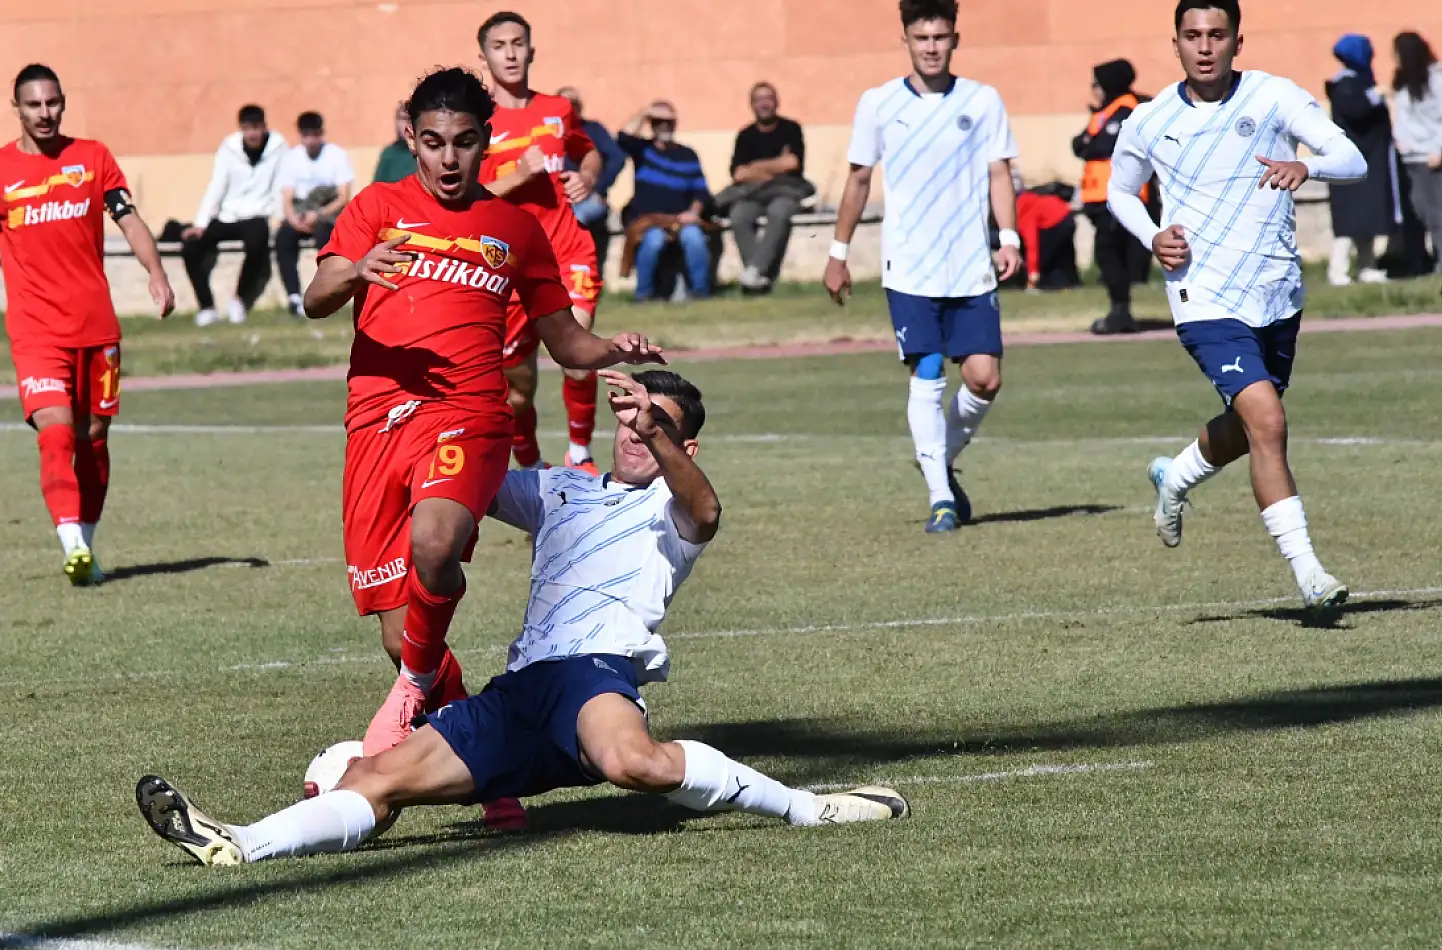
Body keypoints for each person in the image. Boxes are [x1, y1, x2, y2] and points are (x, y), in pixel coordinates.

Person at [136, 369, 907, 865]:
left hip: (593, 675)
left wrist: (661, 428)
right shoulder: (561, 489)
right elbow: (475, 478)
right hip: (520, 689)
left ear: (682, 440)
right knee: (375, 778)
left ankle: (807, 808)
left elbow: (707, 506)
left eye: (655, 425)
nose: (636, 434)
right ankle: (239, 842)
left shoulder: (672, 512)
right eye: (632, 420)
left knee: (629, 763)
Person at [298, 66, 665, 830]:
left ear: (485, 141)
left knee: (438, 541)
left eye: (464, 143)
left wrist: (609, 349)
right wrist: (357, 269)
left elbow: (563, 341)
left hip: (466, 415)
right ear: (411, 138)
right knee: (401, 627)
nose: (448, 160)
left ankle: (410, 691)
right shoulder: (376, 206)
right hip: (374, 426)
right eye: (432, 144)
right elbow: (316, 295)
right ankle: (490, 775)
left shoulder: (514, 227)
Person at [1108, 0, 1364, 612]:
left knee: (1253, 424)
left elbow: (1351, 158)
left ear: (1236, 42)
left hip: (1275, 289)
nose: (1204, 46)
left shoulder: (1274, 97)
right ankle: (1310, 576)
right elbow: (1120, 190)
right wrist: (1152, 236)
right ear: (1175, 44)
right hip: (1203, 296)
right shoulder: (1150, 119)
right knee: (1269, 422)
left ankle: (1177, 475)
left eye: (1216, 35)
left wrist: (1309, 165)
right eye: (1192, 36)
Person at [0, 63, 176, 586]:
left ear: (62, 104)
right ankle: (70, 543)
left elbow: (128, 217)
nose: (45, 114)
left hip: (97, 327)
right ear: (16, 108)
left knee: (94, 439)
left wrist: (156, 273)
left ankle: (85, 549)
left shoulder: (92, 158)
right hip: (36, 331)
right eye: (34, 105)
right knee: (56, 433)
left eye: (53, 103)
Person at [823, 0, 1023, 533]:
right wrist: (838, 254)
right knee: (929, 370)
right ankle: (941, 498)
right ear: (906, 41)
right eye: (921, 38)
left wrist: (1009, 238)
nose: (931, 47)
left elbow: (999, 173)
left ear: (955, 39)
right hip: (910, 267)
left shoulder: (982, 100)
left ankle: (935, 453)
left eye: (940, 38)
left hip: (970, 266)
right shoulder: (880, 103)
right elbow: (859, 180)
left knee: (985, 378)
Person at [477, 12, 609, 476]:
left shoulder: (557, 108)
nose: (510, 53)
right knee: (518, 388)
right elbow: (467, 198)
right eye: (499, 45)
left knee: (578, 352)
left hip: (566, 250)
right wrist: (520, 175)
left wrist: (588, 175)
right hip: (508, 265)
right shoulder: (478, 123)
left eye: (518, 44)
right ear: (484, 56)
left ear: (532, 51)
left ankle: (581, 454)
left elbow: (588, 148)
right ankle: (531, 466)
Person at [183, 105, 287, 326]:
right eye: (248, 128)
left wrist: (280, 216)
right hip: (227, 214)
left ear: (264, 127)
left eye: (257, 128)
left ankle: (238, 300)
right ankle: (207, 307)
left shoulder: (278, 146)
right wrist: (201, 222)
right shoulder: (228, 148)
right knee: (191, 246)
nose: (253, 134)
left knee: (257, 241)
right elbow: (217, 185)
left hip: (258, 213)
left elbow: (281, 183)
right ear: (241, 129)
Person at [1073, 59, 1155, 334]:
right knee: (1108, 257)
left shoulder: (1127, 109)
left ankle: (1121, 312)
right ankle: (1119, 310)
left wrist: (1088, 144)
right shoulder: (1105, 111)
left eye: (1096, 84)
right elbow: (1079, 144)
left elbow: (1101, 144)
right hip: (1100, 198)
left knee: (1111, 255)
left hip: (1120, 197)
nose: (1093, 90)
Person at [721, 82, 815, 293]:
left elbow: (792, 163)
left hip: (785, 191)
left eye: (768, 98)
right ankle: (758, 277)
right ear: (752, 105)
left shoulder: (791, 128)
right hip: (753, 194)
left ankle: (755, 272)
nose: (764, 104)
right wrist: (775, 165)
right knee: (739, 215)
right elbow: (739, 174)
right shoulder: (745, 136)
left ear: (776, 102)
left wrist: (755, 167)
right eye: (759, 99)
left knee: (779, 212)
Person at [618, 101, 714, 301]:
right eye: (658, 121)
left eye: (669, 121)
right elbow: (622, 137)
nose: (664, 126)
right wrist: (644, 112)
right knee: (653, 241)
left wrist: (694, 213)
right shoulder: (642, 150)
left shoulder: (688, 154)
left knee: (694, 237)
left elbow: (701, 191)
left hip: (680, 219)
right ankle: (643, 296)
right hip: (648, 220)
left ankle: (700, 293)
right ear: (651, 124)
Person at [1324, 35, 1395, 286]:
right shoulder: (1345, 85)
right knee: (1348, 223)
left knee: (1366, 220)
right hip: (1349, 165)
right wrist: (1375, 97)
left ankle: (1367, 266)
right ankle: (1337, 270)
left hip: (1368, 164)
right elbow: (1356, 112)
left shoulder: (1360, 82)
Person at [273, 111, 355, 316]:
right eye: (306, 135)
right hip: (301, 212)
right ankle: (294, 296)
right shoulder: (292, 158)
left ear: (321, 133)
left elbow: (343, 197)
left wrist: (318, 214)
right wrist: (293, 219)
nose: (311, 140)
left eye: (315, 134)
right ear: (301, 135)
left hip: (327, 212)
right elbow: (287, 197)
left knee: (325, 237)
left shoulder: (336, 155)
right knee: (283, 238)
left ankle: (326, 292)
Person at [557, 85, 627, 267]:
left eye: (575, 104)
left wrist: (599, 188)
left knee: (574, 221)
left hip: (589, 199)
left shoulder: (593, 130)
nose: (571, 108)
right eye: (565, 103)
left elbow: (617, 157)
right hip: (558, 201)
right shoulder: (548, 132)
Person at [1392, 32, 1442, 273]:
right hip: (1409, 156)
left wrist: (1439, 149)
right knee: (1416, 212)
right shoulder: (1402, 80)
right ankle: (1417, 263)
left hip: (1432, 156)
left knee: (1437, 214)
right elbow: (1403, 116)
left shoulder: (1436, 79)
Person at [371, 103, 418, 184]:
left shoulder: (426, 154)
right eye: (403, 118)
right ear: (396, 121)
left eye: (410, 119)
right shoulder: (389, 154)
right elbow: (376, 191)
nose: (407, 124)